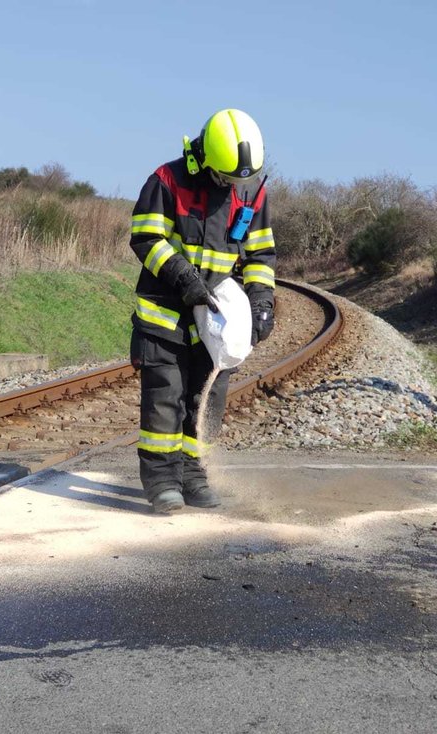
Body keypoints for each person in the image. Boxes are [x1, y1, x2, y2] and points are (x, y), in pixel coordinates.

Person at [128, 109, 276, 513]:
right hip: (166, 313)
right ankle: (161, 482)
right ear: (205, 161)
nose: (234, 186)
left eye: (241, 179)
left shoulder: (250, 191)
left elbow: (260, 252)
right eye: (227, 178)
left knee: (206, 400)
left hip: (215, 320)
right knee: (165, 398)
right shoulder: (167, 180)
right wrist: (182, 277)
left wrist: (262, 300)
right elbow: (145, 236)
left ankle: (193, 475)